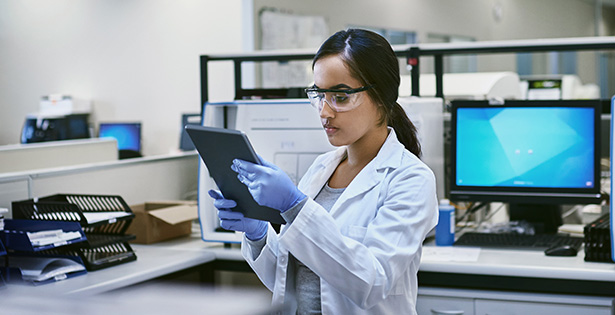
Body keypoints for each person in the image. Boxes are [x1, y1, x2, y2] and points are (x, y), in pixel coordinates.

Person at [209, 28, 438, 314]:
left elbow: (372, 282)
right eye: (319, 94)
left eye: (340, 97)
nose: (324, 112)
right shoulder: (321, 169)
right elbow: (287, 279)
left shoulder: (410, 179)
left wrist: (296, 207)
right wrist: (257, 233)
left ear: (381, 98)